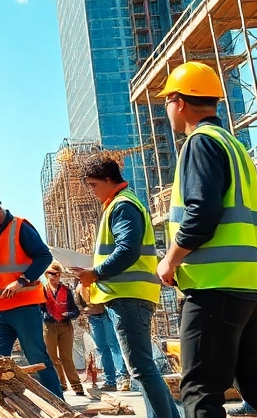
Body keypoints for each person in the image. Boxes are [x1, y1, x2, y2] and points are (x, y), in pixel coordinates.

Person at [152, 61, 257, 418]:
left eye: (167, 102)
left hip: (215, 285)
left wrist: (170, 260)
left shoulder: (200, 143)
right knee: (254, 380)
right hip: (251, 285)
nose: (167, 110)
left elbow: (203, 212)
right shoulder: (234, 146)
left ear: (179, 101)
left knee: (200, 390)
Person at [72, 157, 179, 418]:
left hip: (129, 297)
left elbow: (127, 250)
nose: (92, 191)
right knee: (143, 367)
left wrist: (95, 273)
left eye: (94, 185)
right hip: (131, 296)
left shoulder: (122, 205)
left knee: (141, 368)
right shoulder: (122, 204)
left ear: (109, 180)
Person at [0, 188, 65, 399]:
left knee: (37, 358)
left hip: (24, 308)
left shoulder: (20, 227)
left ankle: (58, 404)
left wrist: (22, 280)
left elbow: (43, 256)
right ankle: (2, 407)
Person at [41, 262, 85, 397]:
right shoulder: (43, 290)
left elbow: (75, 310)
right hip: (49, 326)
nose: (51, 276)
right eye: (48, 273)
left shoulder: (66, 291)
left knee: (66, 356)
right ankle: (60, 384)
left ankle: (76, 385)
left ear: (59, 274)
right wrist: (45, 315)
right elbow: (39, 309)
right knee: (52, 357)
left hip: (65, 326)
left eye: (53, 274)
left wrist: (70, 315)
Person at [87, 305, 128, 391]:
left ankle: (122, 378)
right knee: (102, 348)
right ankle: (110, 381)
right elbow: (79, 304)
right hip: (93, 318)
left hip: (108, 314)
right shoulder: (81, 291)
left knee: (114, 345)